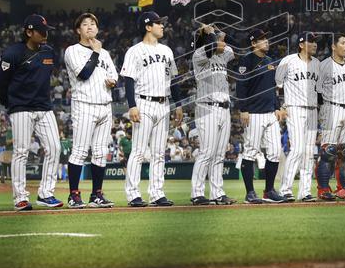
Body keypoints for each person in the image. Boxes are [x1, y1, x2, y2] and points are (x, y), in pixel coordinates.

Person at [0, 14, 64, 211]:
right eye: (41, 31)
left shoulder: (49, 52)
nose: (45, 35)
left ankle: (46, 193)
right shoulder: (12, 53)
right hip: (21, 109)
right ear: (29, 32)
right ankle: (20, 197)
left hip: (44, 107)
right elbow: (1, 82)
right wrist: (11, 104)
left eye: (46, 31)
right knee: (21, 152)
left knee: (54, 148)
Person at [121, 12, 181, 207]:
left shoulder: (167, 51)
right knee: (138, 151)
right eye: (158, 23)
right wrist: (132, 105)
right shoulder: (134, 51)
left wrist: (178, 104)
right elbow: (128, 80)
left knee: (158, 153)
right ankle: (133, 194)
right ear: (148, 26)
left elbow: (173, 81)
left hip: (163, 104)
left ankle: (157, 193)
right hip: (143, 103)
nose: (162, 26)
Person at [63, 12, 119, 208]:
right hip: (84, 105)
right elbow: (85, 74)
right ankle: (73, 195)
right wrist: (95, 51)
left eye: (93, 24)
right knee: (79, 151)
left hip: (105, 105)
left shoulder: (105, 53)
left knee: (100, 152)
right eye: (85, 24)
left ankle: (97, 194)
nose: (89, 27)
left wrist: (113, 81)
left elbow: (114, 75)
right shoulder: (72, 50)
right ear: (78, 30)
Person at [235, 28, 286, 204]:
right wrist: (243, 109)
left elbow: (273, 87)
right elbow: (241, 87)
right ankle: (250, 193)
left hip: (270, 113)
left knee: (274, 153)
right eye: (262, 39)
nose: (266, 42)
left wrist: (278, 107)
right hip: (254, 113)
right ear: (253, 43)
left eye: (266, 39)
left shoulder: (270, 61)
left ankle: (269, 191)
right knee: (250, 152)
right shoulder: (246, 60)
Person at [190, 24, 235, 205]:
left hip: (224, 108)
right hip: (206, 107)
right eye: (213, 37)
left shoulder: (222, 55)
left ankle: (218, 193)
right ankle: (197, 193)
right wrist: (210, 34)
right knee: (207, 152)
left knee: (219, 155)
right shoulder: (199, 55)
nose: (217, 38)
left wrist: (222, 35)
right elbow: (210, 48)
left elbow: (236, 47)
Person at [276, 32, 320, 202]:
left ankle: (305, 191)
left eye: (316, 42)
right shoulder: (287, 61)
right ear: (301, 44)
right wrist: (279, 107)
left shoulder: (317, 63)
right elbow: (277, 85)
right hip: (294, 108)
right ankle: (285, 189)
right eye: (311, 41)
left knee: (309, 152)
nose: (315, 44)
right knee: (298, 149)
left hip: (313, 110)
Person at [315, 34, 345, 201]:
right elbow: (317, 91)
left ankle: (343, 190)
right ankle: (323, 190)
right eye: (342, 43)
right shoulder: (324, 65)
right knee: (328, 151)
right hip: (331, 107)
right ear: (333, 47)